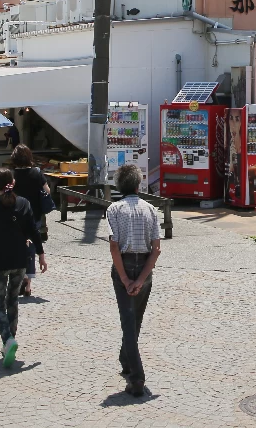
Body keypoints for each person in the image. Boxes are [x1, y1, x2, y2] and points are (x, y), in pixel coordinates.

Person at [0, 167, 45, 368]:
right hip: (19, 261)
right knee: (13, 300)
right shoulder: (23, 204)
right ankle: (10, 341)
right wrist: (41, 254)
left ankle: (8, 340)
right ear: (13, 183)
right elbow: (34, 230)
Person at [106, 163, 160, 397]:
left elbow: (114, 247)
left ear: (119, 185)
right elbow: (156, 249)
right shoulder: (150, 209)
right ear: (139, 185)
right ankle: (125, 358)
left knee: (128, 320)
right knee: (135, 316)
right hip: (145, 264)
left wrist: (126, 278)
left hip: (124, 264)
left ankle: (136, 377)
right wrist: (141, 278)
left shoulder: (114, 210)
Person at [11, 144, 52, 296]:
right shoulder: (36, 173)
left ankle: (19, 277)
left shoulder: (12, 175)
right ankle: (28, 282)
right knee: (32, 247)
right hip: (34, 214)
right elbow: (47, 191)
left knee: (17, 246)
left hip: (16, 215)